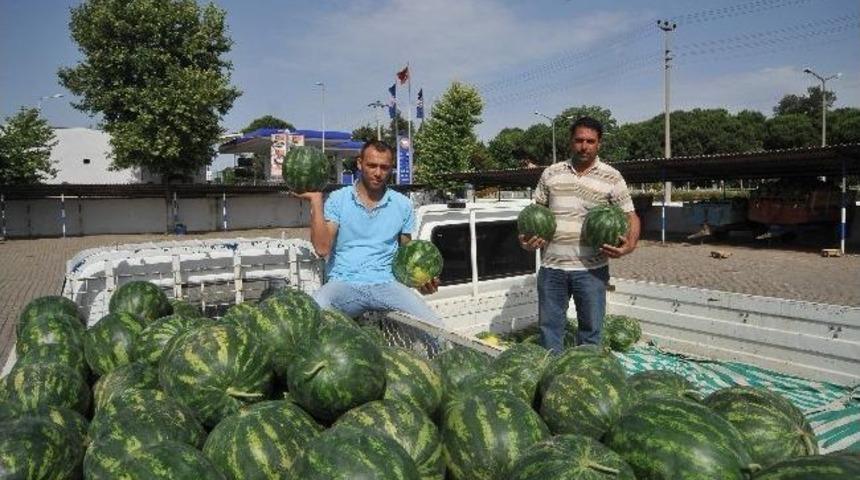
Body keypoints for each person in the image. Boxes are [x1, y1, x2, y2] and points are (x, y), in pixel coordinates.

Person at [519, 116, 640, 353]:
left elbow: (630, 216)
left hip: (592, 271)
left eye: (590, 141)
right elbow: (535, 214)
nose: (584, 146)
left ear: (599, 143)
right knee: (549, 331)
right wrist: (524, 240)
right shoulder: (551, 173)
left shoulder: (612, 176)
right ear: (570, 141)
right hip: (553, 268)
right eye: (579, 140)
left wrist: (629, 245)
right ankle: (551, 379)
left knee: (591, 332)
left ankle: (585, 380)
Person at [295, 140, 441, 325]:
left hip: (386, 284)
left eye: (384, 167)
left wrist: (421, 283)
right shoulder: (338, 199)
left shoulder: (403, 205)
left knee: (435, 329)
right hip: (344, 283)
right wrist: (316, 200)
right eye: (372, 165)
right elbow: (322, 249)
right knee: (313, 315)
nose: (378, 173)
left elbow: (408, 254)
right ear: (359, 163)